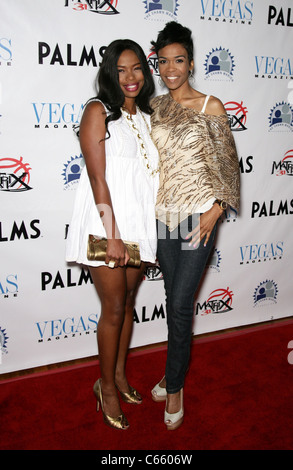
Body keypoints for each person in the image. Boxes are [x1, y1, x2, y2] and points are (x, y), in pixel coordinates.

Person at [150, 22, 240, 430]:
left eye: (179, 60)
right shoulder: (154, 106)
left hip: (198, 218)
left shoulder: (211, 106)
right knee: (174, 302)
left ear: (191, 63)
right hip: (162, 218)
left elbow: (229, 167)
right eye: (164, 61)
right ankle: (173, 372)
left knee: (182, 305)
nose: (171, 68)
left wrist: (215, 210)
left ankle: (175, 388)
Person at [66, 39, 159, 430]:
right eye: (120, 70)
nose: (130, 77)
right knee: (114, 308)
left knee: (130, 302)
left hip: (138, 224)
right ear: (108, 72)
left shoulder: (148, 116)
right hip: (106, 226)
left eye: (136, 67)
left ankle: (120, 375)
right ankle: (104, 386)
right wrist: (113, 235)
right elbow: (98, 178)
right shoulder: (97, 110)